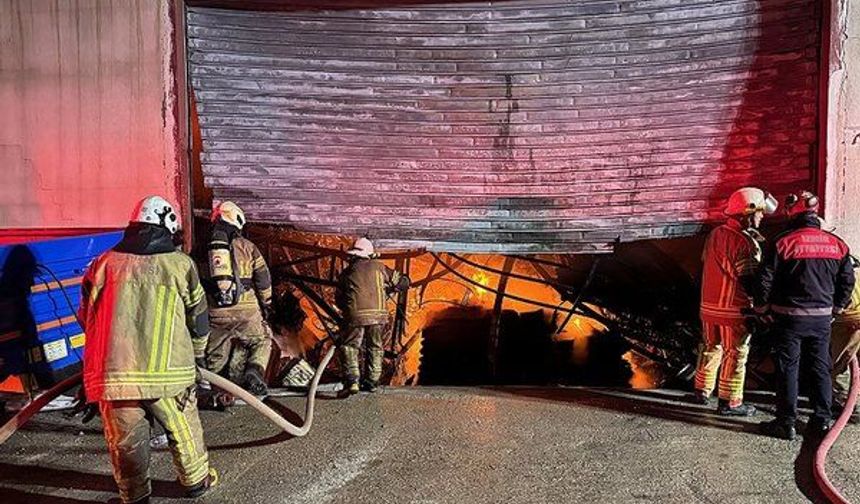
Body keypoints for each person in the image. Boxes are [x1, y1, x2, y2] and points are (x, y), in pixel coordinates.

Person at [79, 196, 216, 504]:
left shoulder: (103, 264)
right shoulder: (180, 265)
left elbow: (86, 316)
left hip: (116, 375)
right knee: (183, 428)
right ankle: (195, 481)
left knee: (126, 441)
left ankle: (134, 495)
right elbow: (199, 317)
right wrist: (197, 356)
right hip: (169, 374)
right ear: (168, 226)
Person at [757, 191, 855, 440]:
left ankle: (786, 422)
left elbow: (764, 279)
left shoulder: (782, 242)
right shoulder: (838, 244)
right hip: (822, 319)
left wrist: (761, 307)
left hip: (788, 318)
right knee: (820, 367)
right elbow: (847, 280)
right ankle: (821, 421)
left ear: (793, 213)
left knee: (788, 367)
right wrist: (838, 307)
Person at [694, 187, 777, 415]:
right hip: (734, 311)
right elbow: (749, 279)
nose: (762, 217)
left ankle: (701, 391)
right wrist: (762, 306)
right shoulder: (743, 242)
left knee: (711, 347)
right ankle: (730, 403)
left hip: (709, 308)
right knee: (736, 354)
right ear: (747, 213)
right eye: (759, 213)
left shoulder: (715, 234)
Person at [203, 201, 274, 396]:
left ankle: (216, 391)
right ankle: (254, 371)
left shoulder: (204, 249)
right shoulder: (248, 247)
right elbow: (263, 280)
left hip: (216, 312)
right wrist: (267, 303)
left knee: (215, 352)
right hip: (246, 311)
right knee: (262, 340)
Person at [335, 237, 409, 394]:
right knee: (375, 347)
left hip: (355, 316)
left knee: (350, 346)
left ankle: (352, 382)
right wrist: (390, 289)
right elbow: (403, 282)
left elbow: (339, 299)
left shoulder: (346, 273)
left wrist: (348, 312)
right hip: (378, 316)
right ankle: (372, 382)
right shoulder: (380, 268)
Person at [830, 254, 860, 423]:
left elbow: (842, 302)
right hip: (855, 319)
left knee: (837, 364)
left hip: (847, 321)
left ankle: (844, 404)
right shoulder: (854, 268)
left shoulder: (842, 275)